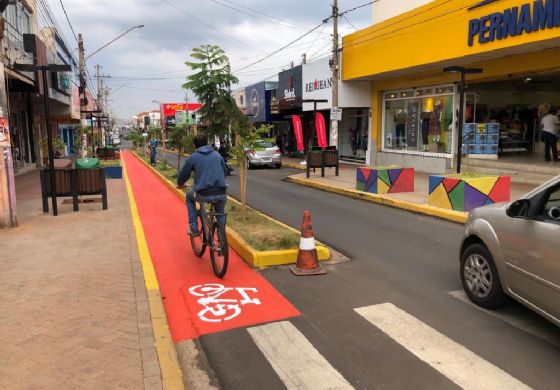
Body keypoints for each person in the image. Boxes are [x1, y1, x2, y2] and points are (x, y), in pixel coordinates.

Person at [176, 134, 228, 236]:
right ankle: (222, 238)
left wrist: (180, 184)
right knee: (220, 212)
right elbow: (225, 171)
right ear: (207, 142)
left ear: (194, 145)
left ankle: (194, 228)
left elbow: (184, 174)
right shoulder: (217, 155)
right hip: (221, 192)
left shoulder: (193, 157)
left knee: (189, 197)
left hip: (203, 193)